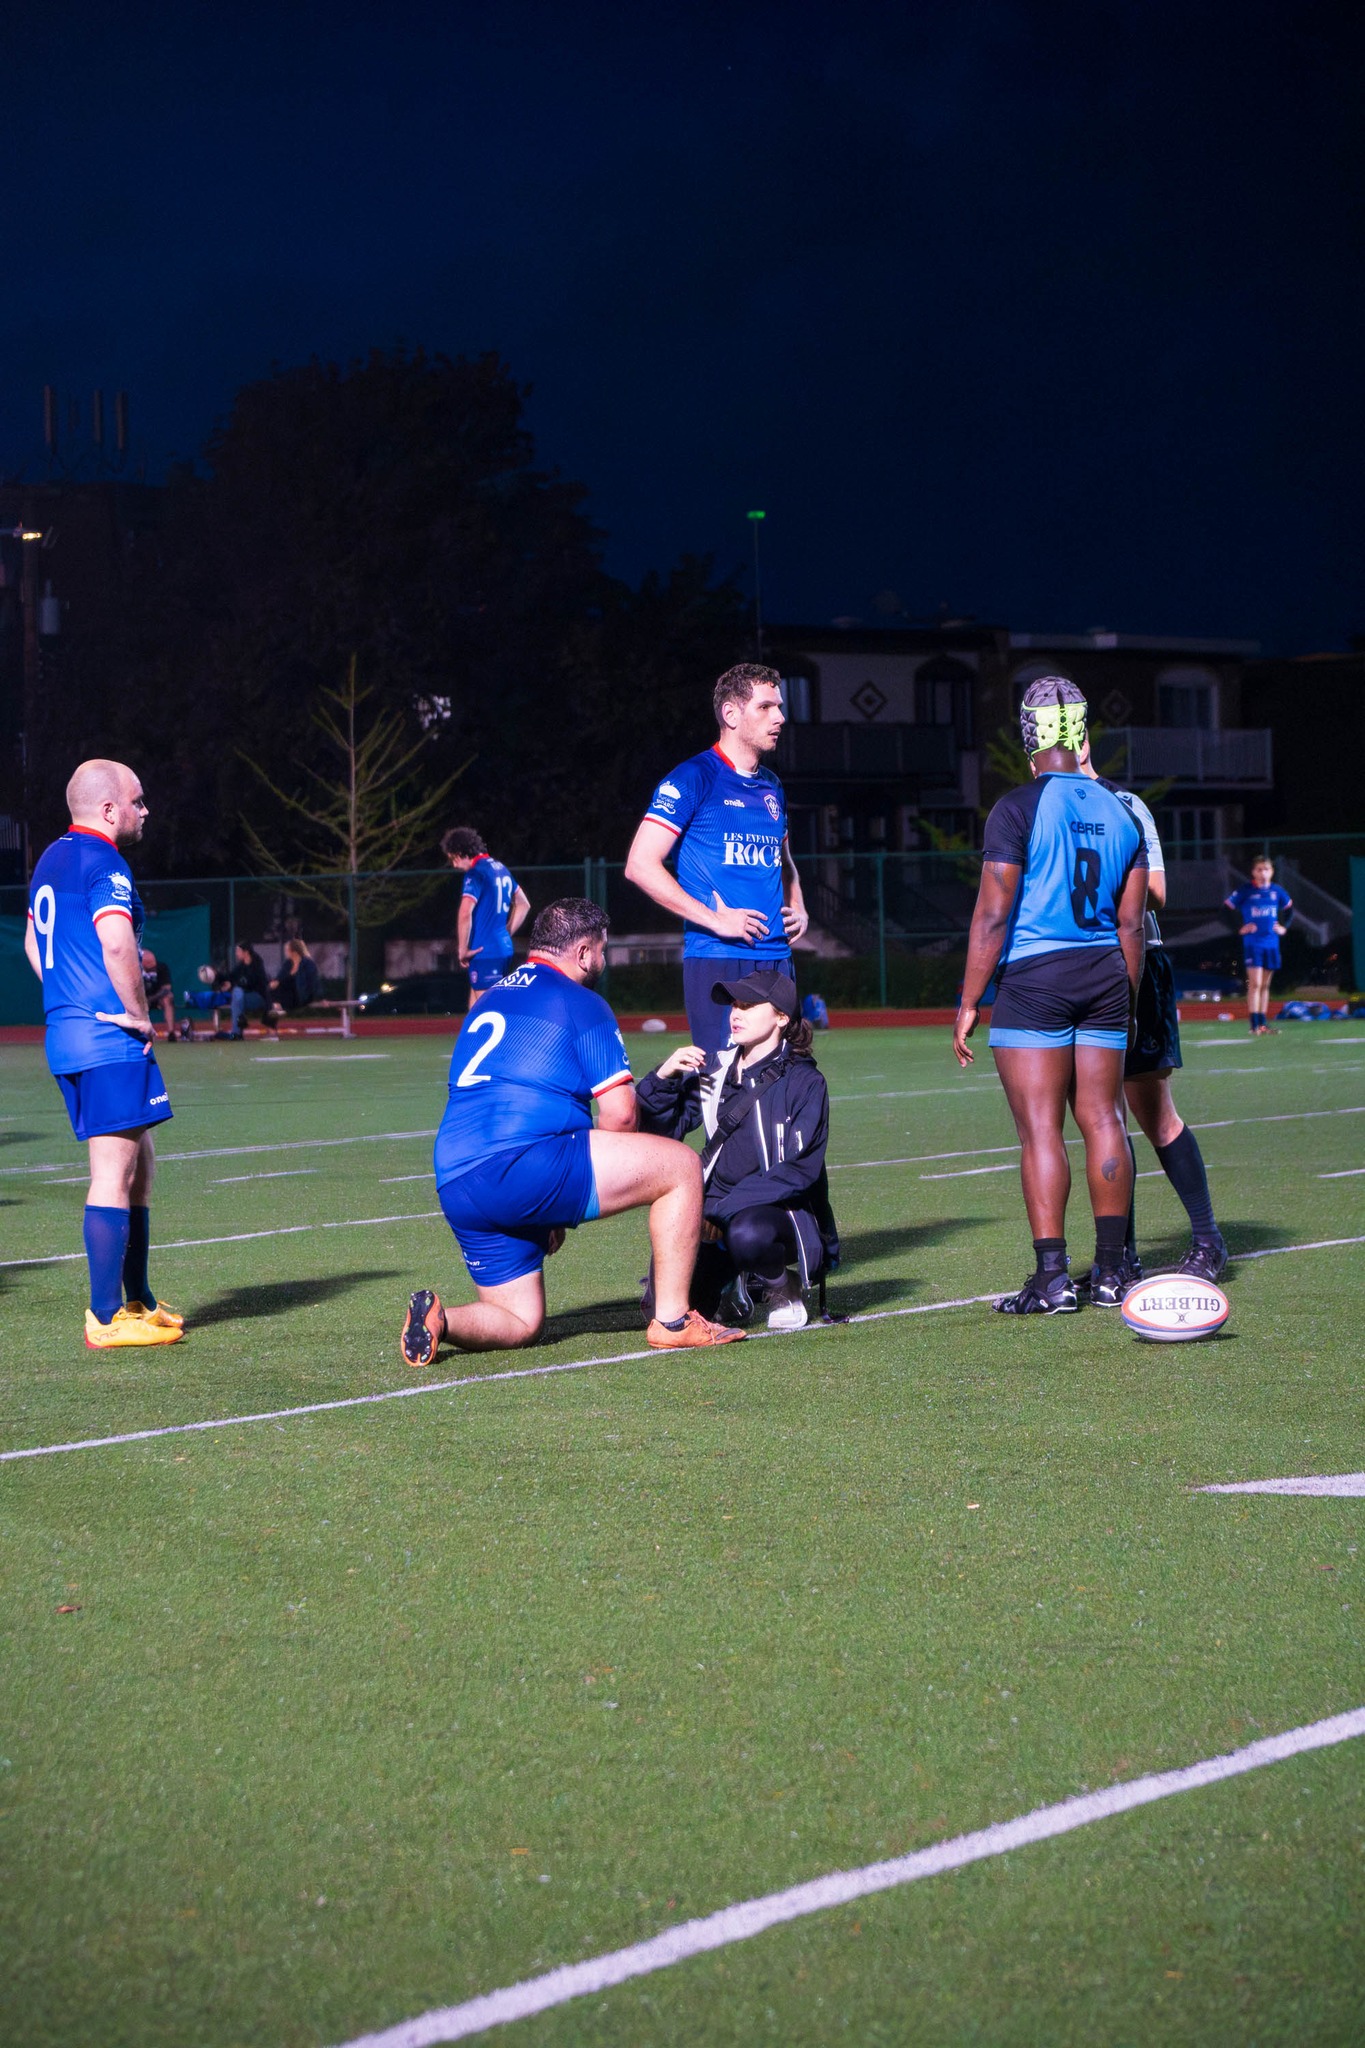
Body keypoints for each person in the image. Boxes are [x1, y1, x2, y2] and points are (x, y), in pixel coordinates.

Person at [400, 896, 747, 1361]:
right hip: (524, 1162)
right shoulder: (581, 1002)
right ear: (584, 952)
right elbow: (620, 1114)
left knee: (521, 1321)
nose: (602, 961)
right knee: (680, 1167)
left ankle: (441, 1318)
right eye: (601, 951)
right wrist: (599, 1185)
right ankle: (673, 1320)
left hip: (455, 1178)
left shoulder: (493, 995)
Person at [952, 679, 1148, 1314]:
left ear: (1029, 735)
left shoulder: (1015, 808)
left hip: (1036, 979)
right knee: (1105, 1119)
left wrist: (968, 1002)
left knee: (1041, 1129)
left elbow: (991, 916)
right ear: (1084, 730)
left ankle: (1053, 1277)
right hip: (1105, 977)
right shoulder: (1123, 811)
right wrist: (1128, 994)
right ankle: (1113, 1274)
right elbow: (1130, 925)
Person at [23, 759, 183, 1348]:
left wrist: (66, 999)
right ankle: (104, 1314)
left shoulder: (51, 858)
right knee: (113, 1173)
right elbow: (118, 943)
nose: (145, 811)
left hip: (73, 1035)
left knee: (138, 1164)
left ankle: (136, 1297)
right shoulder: (102, 859)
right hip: (107, 1037)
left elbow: (31, 944)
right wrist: (138, 1014)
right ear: (109, 809)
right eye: (137, 801)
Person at [1077, 739, 1227, 1286]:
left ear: (1083, 738)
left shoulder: (1124, 804)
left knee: (1153, 1114)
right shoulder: (1044, 805)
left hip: (1137, 965)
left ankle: (1209, 1239)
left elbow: (1157, 890)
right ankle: (1121, 1258)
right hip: (1077, 974)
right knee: (1102, 1120)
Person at [635, 968, 837, 1331]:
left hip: (779, 1214)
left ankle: (782, 1286)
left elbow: (799, 1171)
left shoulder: (807, 1081)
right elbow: (659, 1134)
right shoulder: (714, 1069)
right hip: (715, 1209)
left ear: (781, 1016)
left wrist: (717, 1209)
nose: (735, 1013)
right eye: (734, 1004)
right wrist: (662, 1079)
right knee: (663, 1312)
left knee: (746, 1234)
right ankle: (732, 1284)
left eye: (749, 1004)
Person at [624, 663, 809, 1056]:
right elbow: (640, 864)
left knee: (785, 1079)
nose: (780, 716)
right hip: (719, 960)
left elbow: (785, 859)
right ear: (731, 714)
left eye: (779, 706)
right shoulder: (693, 777)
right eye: (765, 707)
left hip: (777, 959)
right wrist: (714, 919)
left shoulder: (773, 786)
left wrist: (799, 903)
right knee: (724, 1086)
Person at [441, 826, 531, 1008]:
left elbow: (465, 912)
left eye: (453, 859)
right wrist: (506, 932)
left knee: (489, 1014)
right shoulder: (500, 868)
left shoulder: (476, 873)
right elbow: (524, 904)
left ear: (460, 853)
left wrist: (462, 949)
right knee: (474, 1012)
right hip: (501, 948)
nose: (454, 865)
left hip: (484, 952)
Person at [1225, 857, 1293, 1036]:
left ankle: (1263, 1024)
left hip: (1272, 943)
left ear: (1272, 872)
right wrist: (1239, 928)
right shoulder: (1246, 890)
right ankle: (1254, 1025)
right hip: (1253, 943)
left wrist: (1284, 928)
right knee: (1255, 984)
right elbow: (1226, 909)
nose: (1263, 873)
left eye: (1266, 869)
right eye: (1259, 869)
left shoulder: (1277, 891)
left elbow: (1289, 909)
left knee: (1265, 985)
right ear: (1253, 872)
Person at [224, 941, 272, 1039]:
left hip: (259, 998)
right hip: (245, 997)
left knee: (237, 996)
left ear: (246, 952)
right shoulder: (241, 966)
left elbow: (252, 983)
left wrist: (234, 985)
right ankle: (237, 1031)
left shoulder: (257, 964)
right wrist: (216, 976)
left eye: (238, 951)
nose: (236, 953)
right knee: (237, 998)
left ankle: (237, 1032)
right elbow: (230, 976)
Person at [269, 938, 322, 1017]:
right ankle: (279, 1009)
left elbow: (314, 982)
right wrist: (275, 983)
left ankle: (281, 1008)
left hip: (303, 994)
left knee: (282, 987)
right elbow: (280, 977)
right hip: (290, 995)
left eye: (287, 950)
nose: (286, 952)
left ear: (294, 952)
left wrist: (320, 998)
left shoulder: (308, 964)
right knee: (272, 986)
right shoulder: (287, 964)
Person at [140, 948, 176, 1039]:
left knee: (168, 998)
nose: (153, 967)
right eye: (149, 965)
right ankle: (140, 1032)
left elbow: (166, 989)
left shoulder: (161, 967)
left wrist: (151, 999)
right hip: (140, 1000)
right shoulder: (134, 969)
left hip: (156, 999)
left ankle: (171, 1033)